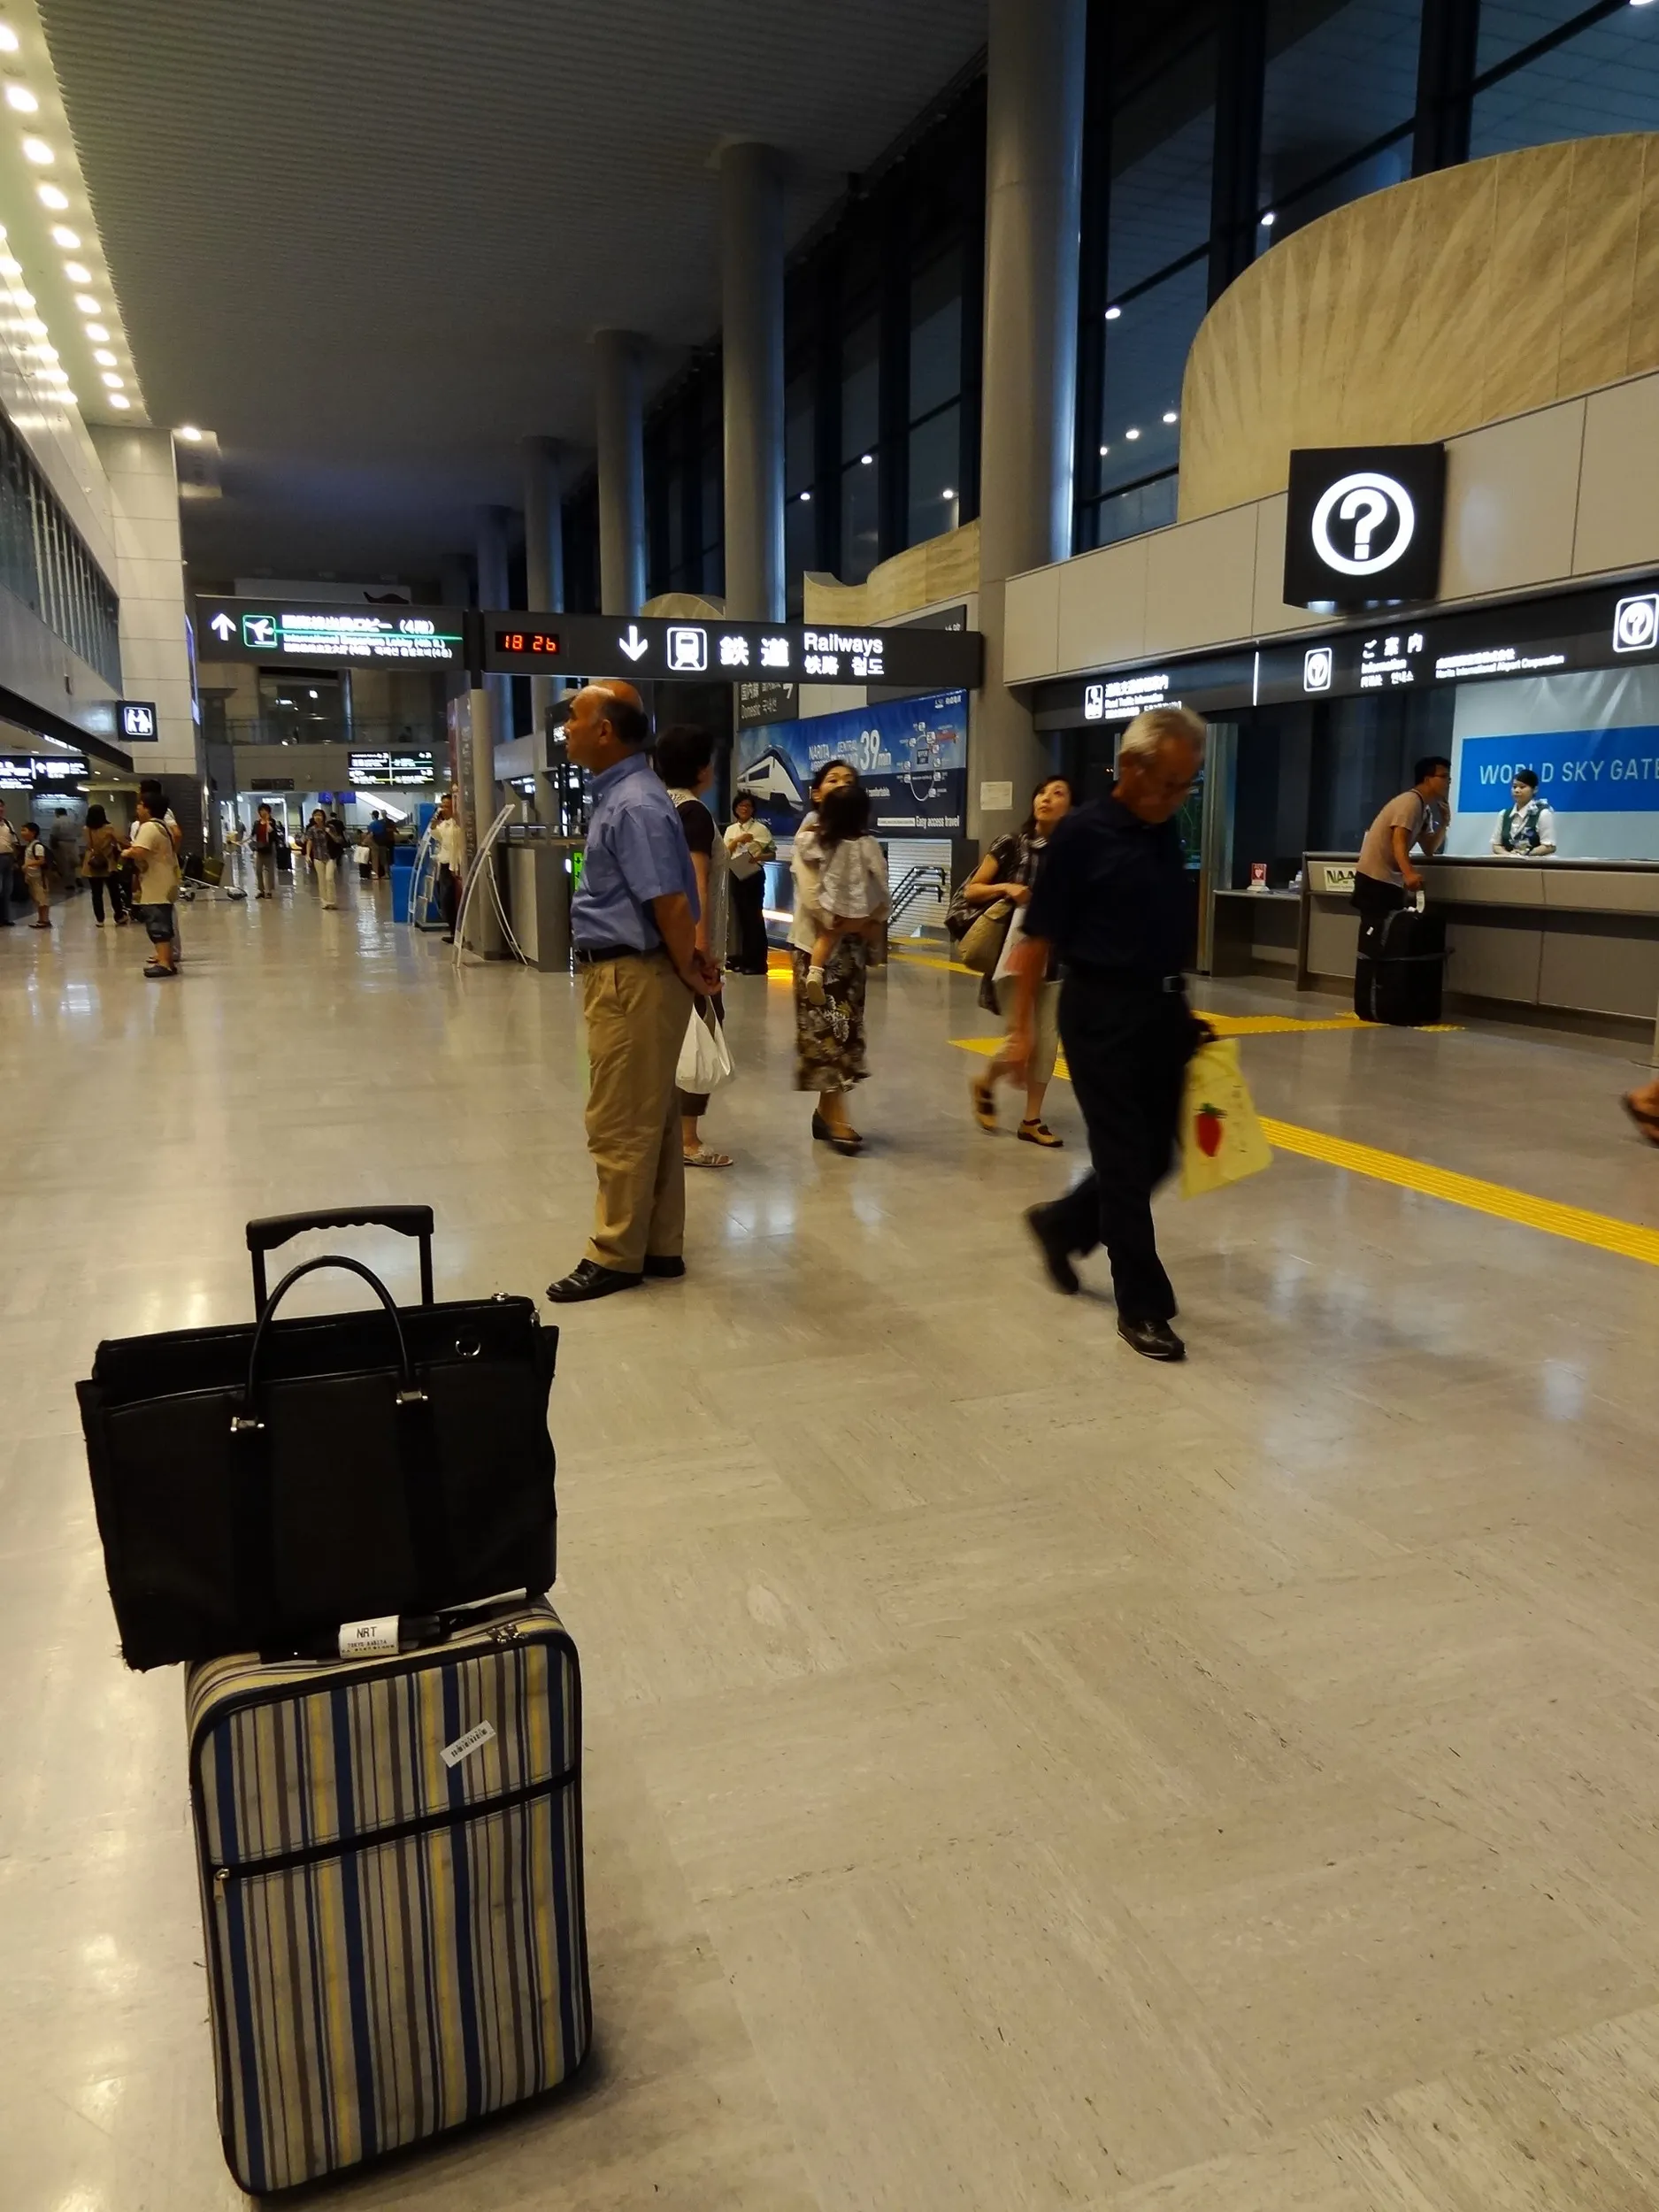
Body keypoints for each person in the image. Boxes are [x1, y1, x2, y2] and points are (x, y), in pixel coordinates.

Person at [1010, 707, 1210, 1363]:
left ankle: (1061, 1223)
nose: (1177, 797)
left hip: (1162, 1012)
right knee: (1125, 1162)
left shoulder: (1163, 828)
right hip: (1100, 1013)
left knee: (1158, 1157)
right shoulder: (1081, 834)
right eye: (1169, 783)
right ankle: (1141, 1305)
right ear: (1130, 767)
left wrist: (1183, 1011)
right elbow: (1036, 939)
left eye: (1187, 785)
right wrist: (1020, 1034)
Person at [545, 681, 719, 1305]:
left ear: (605, 730)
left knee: (619, 1119)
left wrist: (689, 968)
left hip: (630, 977)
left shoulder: (635, 804)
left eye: (574, 717)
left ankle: (615, 1253)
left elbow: (669, 902)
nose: (566, 727)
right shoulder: (627, 796)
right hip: (634, 972)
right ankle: (659, 1245)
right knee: (652, 1116)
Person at [964, 774, 1074, 1148]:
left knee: (1047, 1041)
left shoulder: (1074, 854)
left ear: (1071, 808)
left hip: (1058, 960)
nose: (1046, 798)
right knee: (1019, 1037)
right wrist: (1007, 887)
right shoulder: (1011, 843)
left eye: (1058, 793)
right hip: (1014, 955)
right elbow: (972, 889)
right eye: (1041, 791)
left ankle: (1032, 1120)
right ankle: (986, 1081)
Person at [657, 722, 733, 1171]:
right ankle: (687, 1138)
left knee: (667, 1040)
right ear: (703, 769)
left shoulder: (654, 806)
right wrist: (701, 953)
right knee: (700, 1034)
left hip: (656, 947)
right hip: (688, 952)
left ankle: (666, 1132)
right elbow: (695, 883)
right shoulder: (695, 813)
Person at [790, 759, 876, 1155]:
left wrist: (869, 918)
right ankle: (837, 1116)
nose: (842, 784)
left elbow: (876, 889)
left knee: (846, 1029)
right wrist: (853, 921)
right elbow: (815, 901)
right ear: (816, 793)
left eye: (849, 780)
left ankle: (826, 1113)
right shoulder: (809, 836)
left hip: (851, 950)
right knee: (827, 1032)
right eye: (832, 779)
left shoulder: (861, 839)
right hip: (816, 950)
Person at [804, 780, 887, 1004]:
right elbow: (880, 871)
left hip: (833, 906)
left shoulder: (826, 841)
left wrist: (810, 829)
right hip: (861, 910)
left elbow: (804, 848)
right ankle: (875, 951)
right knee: (873, 927)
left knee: (826, 937)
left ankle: (814, 972)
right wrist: (883, 906)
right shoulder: (868, 843)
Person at [1353, 756, 1452, 930]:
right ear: (1427, 779)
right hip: (1375, 880)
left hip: (1390, 882)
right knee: (1376, 935)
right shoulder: (1410, 802)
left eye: (1449, 778)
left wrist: (1445, 823)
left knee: (1389, 935)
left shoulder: (1424, 809)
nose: (1448, 782)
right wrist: (1409, 874)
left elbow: (1429, 848)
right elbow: (1398, 841)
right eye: (1444, 776)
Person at [123, 788, 180, 975]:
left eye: (140, 805)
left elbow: (140, 851)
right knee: (164, 920)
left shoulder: (148, 827)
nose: (137, 808)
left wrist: (126, 852)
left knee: (157, 922)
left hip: (155, 882)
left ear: (148, 808)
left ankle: (164, 962)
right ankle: (167, 960)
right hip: (166, 879)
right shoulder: (164, 826)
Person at [724, 791, 775, 972]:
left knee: (754, 918)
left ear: (753, 809)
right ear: (735, 809)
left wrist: (758, 857)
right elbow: (725, 853)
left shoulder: (761, 829)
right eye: (741, 806)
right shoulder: (731, 830)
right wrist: (738, 840)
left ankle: (757, 962)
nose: (744, 809)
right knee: (739, 918)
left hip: (753, 875)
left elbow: (772, 854)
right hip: (735, 873)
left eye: (748, 806)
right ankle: (740, 958)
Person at [81, 804, 128, 926]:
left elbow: (88, 844)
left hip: (92, 863)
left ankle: (100, 920)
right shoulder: (109, 828)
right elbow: (121, 840)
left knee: (96, 893)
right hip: (108, 863)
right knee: (114, 891)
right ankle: (119, 916)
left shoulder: (86, 829)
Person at [1492, 769, 1555, 856]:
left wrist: (1526, 854)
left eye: (1522, 787)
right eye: (1514, 787)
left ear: (1535, 789)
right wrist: (1509, 856)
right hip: (1508, 862)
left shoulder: (1543, 813)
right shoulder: (1503, 814)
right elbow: (1496, 845)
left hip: (1533, 863)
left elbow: (1549, 846)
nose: (1517, 790)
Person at [432, 791, 465, 941]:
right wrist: (434, 822)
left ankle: (457, 932)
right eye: (442, 806)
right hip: (444, 863)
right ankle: (452, 930)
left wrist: (455, 867)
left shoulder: (457, 825)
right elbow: (437, 835)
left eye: (447, 806)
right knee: (444, 899)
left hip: (454, 865)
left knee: (450, 898)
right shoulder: (444, 825)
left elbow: (456, 846)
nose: (444, 809)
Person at [303, 805, 342, 908]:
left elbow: (338, 840)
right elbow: (309, 842)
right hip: (318, 857)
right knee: (321, 880)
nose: (317, 817)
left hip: (330, 856)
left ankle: (332, 901)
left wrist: (330, 833)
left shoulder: (330, 828)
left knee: (329, 878)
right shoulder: (312, 829)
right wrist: (308, 855)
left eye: (319, 815)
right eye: (315, 815)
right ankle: (324, 901)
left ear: (323, 817)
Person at [19, 820, 51, 927]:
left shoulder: (37, 846)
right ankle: (41, 919)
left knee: (42, 899)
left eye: (24, 830)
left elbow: (41, 861)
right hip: (32, 877)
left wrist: (28, 864)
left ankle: (45, 920)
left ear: (33, 832)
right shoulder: (30, 845)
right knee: (37, 899)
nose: (22, 833)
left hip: (39, 877)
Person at [50, 808, 81, 896]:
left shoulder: (57, 821)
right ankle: (77, 877)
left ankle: (69, 884)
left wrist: (52, 847)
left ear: (57, 813)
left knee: (64, 865)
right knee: (75, 863)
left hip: (62, 844)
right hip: (73, 843)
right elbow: (79, 833)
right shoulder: (73, 821)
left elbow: (53, 835)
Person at [250, 803, 280, 897]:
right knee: (258, 870)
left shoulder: (272, 822)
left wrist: (267, 821)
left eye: (265, 810)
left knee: (270, 871)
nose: (263, 812)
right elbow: (253, 834)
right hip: (259, 849)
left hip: (269, 849)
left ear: (269, 812)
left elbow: (272, 833)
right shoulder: (257, 823)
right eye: (261, 810)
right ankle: (261, 890)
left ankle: (269, 891)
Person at [0, 799, 19, 925]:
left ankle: (5, 917)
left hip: (8, 857)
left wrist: (15, 859)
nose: (0, 809)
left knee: (7, 889)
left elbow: (14, 842)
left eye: (1, 806)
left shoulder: (8, 824)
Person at [369, 810, 396, 879]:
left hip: (375, 844)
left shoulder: (372, 824)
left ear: (373, 816)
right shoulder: (382, 824)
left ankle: (376, 875)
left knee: (375, 860)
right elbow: (386, 833)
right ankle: (387, 874)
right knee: (384, 860)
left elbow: (371, 834)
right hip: (384, 843)